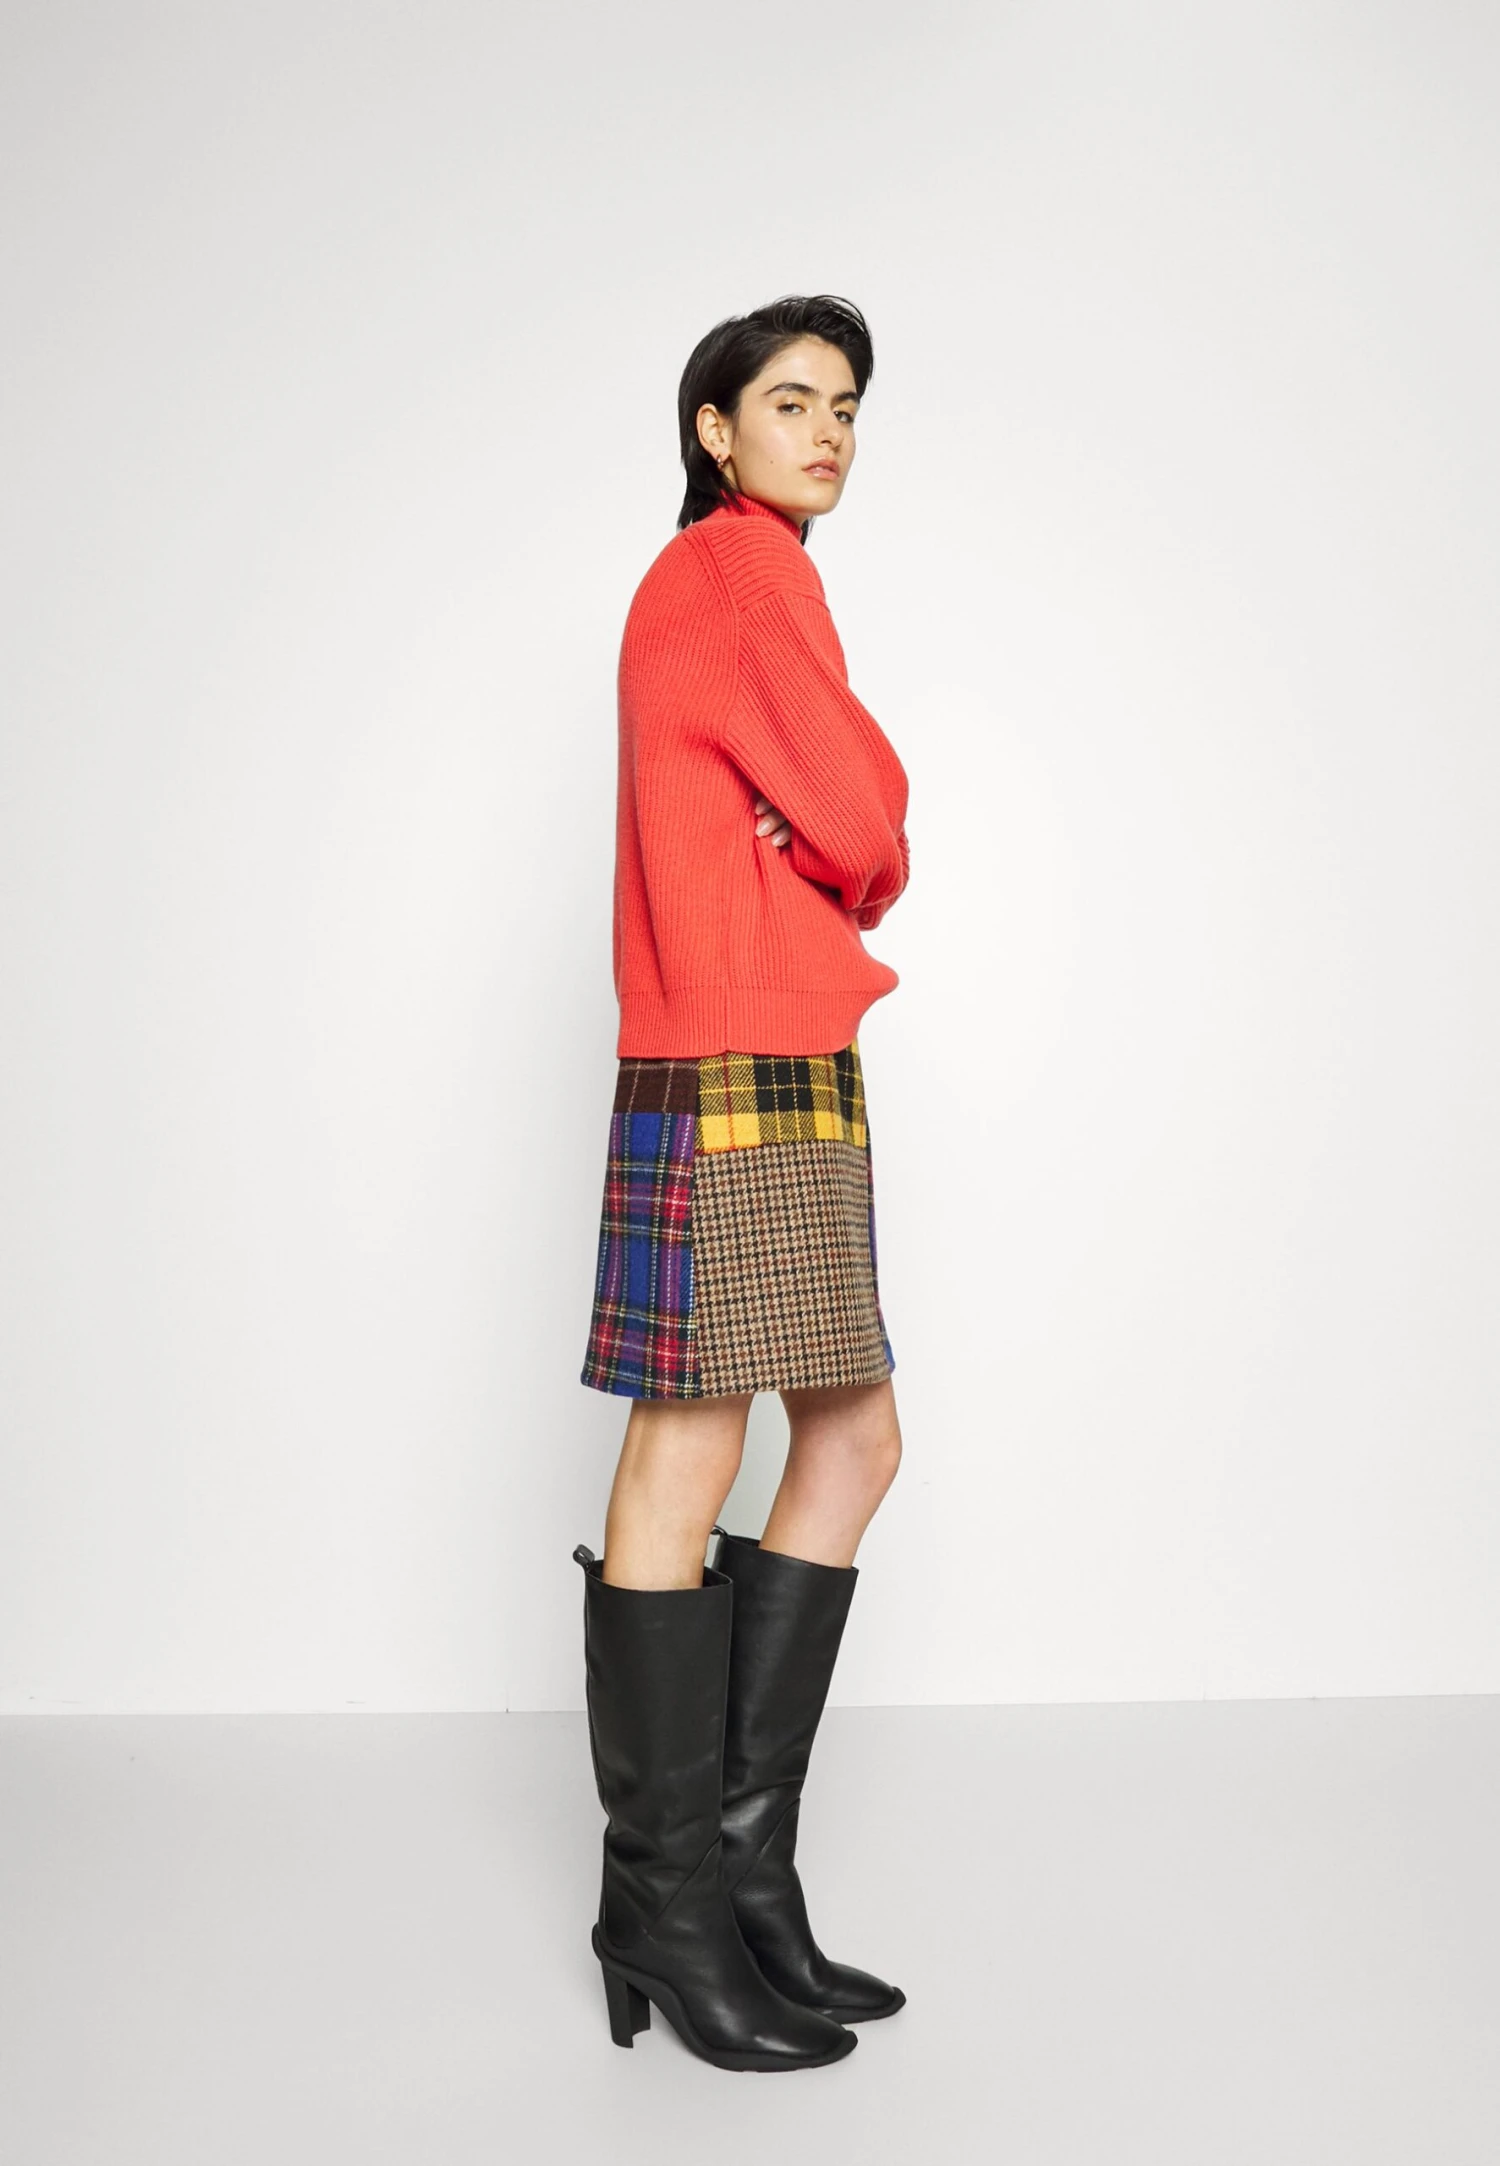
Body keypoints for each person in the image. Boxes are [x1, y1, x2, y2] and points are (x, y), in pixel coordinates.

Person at [572, 294, 912, 2073]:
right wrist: (848, 837)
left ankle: (740, 1869)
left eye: (845, 404)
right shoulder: (734, 569)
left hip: (775, 1049)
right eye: (791, 401)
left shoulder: (740, 578)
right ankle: (666, 1900)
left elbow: (835, 814)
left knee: (848, 1436)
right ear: (715, 429)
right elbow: (865, 808)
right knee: (692, 1439)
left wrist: (831, 835)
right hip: (734, 1056)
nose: (828, 429)